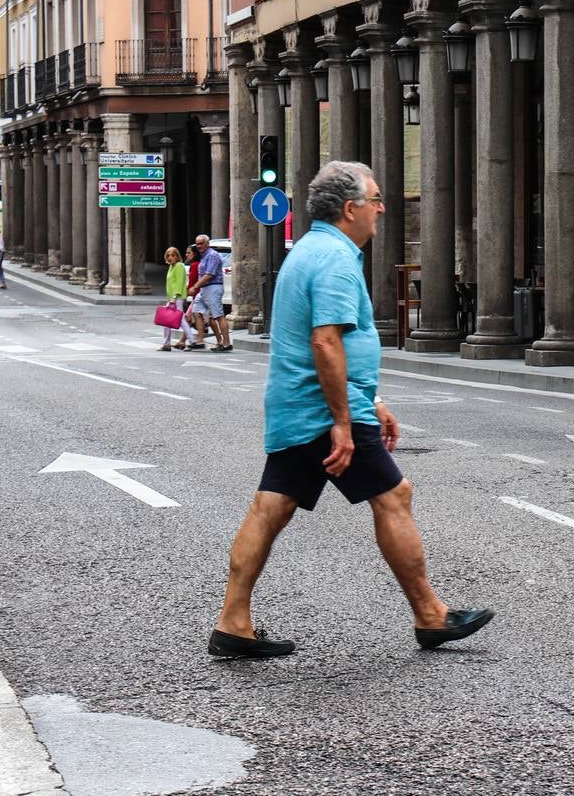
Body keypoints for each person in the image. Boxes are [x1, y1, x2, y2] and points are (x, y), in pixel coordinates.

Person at [208, 161, 493, 658]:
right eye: (376, 198)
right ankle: (430, 615)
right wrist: (345, 420)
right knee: (394, 495)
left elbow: (334, 342)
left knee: (271, 506)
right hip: (323, 410)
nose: (383, 207)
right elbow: (325, 342)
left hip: (301, 405)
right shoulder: (336, 259)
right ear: (349, 208)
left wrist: (373, 399)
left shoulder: (310, 251)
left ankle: (233, 622)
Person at [189, 235, 230, 352]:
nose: (199, 246)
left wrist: (195, 286)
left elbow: (209, 274)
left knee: (218, 315)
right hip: (204, 289)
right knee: (196, 312)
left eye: (202, 243)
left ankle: (226, 343)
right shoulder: (203, 256)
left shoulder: (212, 255)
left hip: (213, 288)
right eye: (197, 244)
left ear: (207, 244)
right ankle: (200, 341)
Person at [159, 246, 197, 352]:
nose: (170, 257)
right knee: (167, 321)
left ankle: (192, 341)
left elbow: (180, 282)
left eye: (173, 255)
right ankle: (166, 343)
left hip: (177, 298)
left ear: (177, 256)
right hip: (172, 298)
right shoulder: (172, 266)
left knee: (180, 320)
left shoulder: (179, 266)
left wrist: (175, 297)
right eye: (168, 255)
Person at [176, 245, 200, 350]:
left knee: (187, 318)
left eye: (188, 252)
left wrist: (184, 295)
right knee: (189, 319)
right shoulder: (196, 264)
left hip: (198, 296)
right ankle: (183, 341)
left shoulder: (194, 265)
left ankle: (194, 340)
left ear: (194, 254)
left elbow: (192, 284)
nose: (186, 255)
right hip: (198, 296)